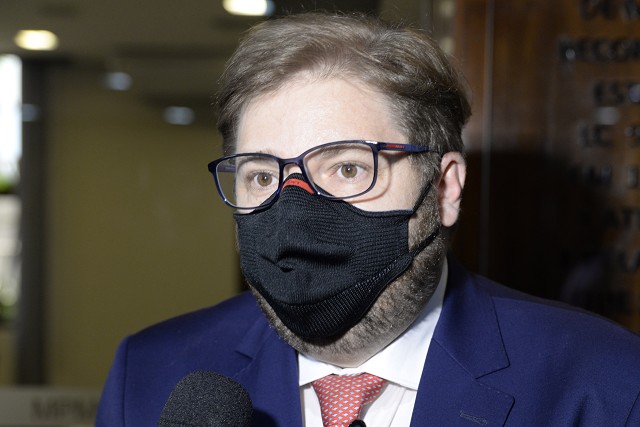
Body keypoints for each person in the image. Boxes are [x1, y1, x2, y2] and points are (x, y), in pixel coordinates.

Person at [96, 12, 640, 426]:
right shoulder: (148, 376)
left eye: (348, 168)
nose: (294, 216)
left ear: (445, 187)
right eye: (262, 176)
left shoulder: (605, 384)